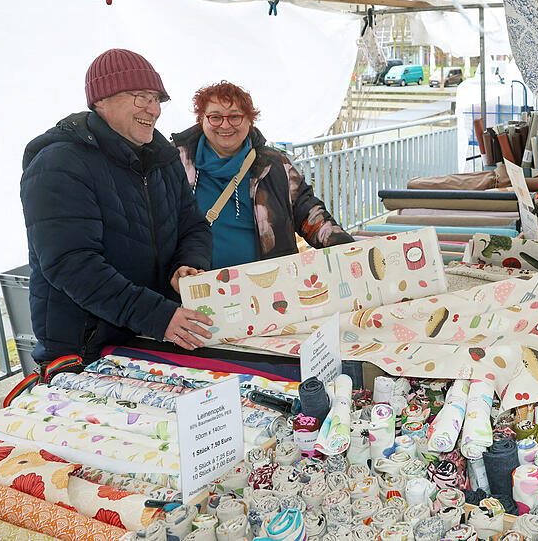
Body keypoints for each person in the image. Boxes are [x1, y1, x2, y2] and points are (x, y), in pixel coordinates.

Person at [21, 49, 214, 365]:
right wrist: (157, 315)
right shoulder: (58, 164)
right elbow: (72, 264)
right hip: (86, 351)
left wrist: (188, 262)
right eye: (140, 97)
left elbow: (193, 225)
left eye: (156, 99)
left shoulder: (162, 157)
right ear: (101, 101)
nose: (153, 109)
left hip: (150, 337)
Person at [172, 81, 353, 269]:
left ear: (249, 120)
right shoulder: (175, 164)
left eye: (235, 117)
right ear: (201, 119)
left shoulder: (273, 165)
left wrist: (349, 250)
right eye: (215, 117)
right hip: (196, 288)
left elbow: (310, 214)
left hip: (267, 286)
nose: (225, 125)